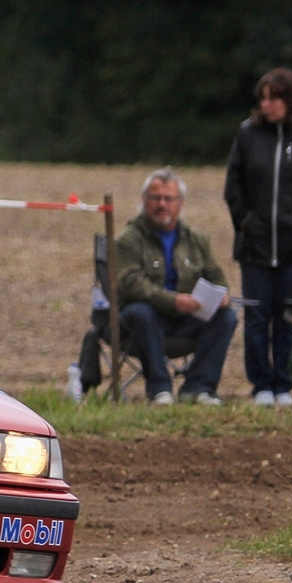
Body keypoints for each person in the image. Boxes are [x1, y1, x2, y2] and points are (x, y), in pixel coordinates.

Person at [223, 67, 292, 406]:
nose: (266, 104)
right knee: (257, 318)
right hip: (254, 248)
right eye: (263, 98)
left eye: (274, 98)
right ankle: (261, 385)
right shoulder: (248, 134)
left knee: (287, 317)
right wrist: (244, 221)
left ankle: (283, 383)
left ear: (291, 100)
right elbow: (234, 184)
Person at [110, 168, 238, 406]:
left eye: (168, 199)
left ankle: (199, 388)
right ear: (144, 200)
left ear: (180, 203)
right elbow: (131, 284)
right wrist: (174, 301)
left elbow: (216, 276)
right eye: (155, 198)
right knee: (141, 312)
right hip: (142, 323)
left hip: (186, 318)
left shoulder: (196, 239)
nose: (162, 204)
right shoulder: (127, 240)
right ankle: (159, 390)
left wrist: (221, 294)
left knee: (226, 317)